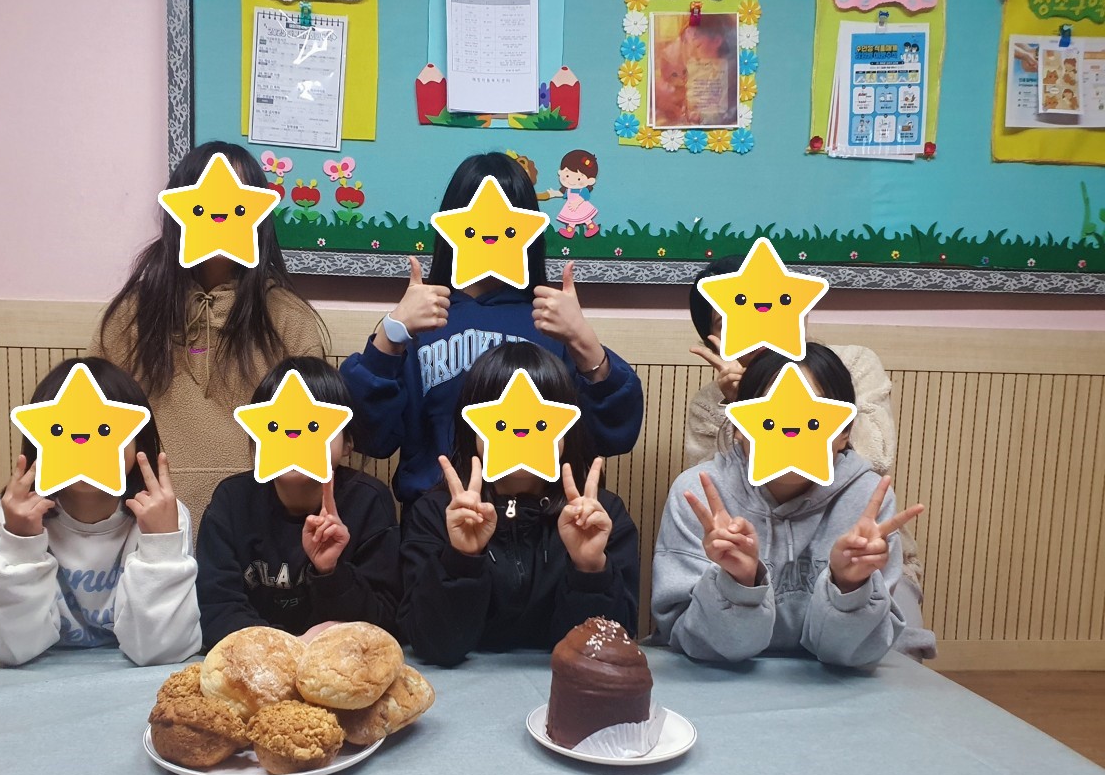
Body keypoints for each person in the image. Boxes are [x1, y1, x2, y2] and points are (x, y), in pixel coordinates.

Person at [340, 152, 644, 507]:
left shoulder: (552, 322)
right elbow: (367, 437)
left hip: (537, 520)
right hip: (435, 518)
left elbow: (615, 435)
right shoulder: (419, 322)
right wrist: (391, 334)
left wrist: (584, 340)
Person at [90, 141, 328, 531]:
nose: (220, 213)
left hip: (253, 531)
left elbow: (310, 443)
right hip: (146, 526)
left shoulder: (288, 317)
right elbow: (94, 424)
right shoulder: (130, 315)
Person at [652, 346, 935, 666]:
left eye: (812, 421)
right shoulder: (698, 494)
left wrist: (850, 586)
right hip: (718, 672)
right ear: (739, 428)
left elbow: (853, 655)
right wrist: (738, 584)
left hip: (832, 679)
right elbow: (688, 636)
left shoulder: (868, 498)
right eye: (772, 419)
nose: (791, 431)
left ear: (844, 432)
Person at [682, 253, 925, 616]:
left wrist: (802, 405)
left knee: (894, 637)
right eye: (731, 317)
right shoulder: (709, 403)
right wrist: (741, 408)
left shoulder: (852, 365)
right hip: (747, 560)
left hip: (864, 553)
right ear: (714, 340)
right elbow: (712, 493)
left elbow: (875, 460)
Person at [398, 343, 640, 667]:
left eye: (540, 424)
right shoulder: (436, 514)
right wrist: (461, 559)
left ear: (566, 428)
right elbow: (433, 646)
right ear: (472, 428)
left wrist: (590, 568)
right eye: (502, 424)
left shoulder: (599, 517)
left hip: (567, 684)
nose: (521, 432)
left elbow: (610, 649)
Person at [0, 357, 201, 666]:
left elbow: (164, 650)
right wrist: (19, 543)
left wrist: (161, 543)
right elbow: (2, 649)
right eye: (61, 429)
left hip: (131, 674)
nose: (82, 441)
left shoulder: (165, 516)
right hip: (34, 672)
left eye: (105, 430)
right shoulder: (4, 515)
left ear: (138, 440)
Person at [196, 357, 399, 648]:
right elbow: (217, 609)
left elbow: (383, 620)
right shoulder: (232, 501)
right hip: (257, 661)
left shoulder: (368, 502)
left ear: (348, 443)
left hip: (337, 661)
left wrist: (331, 573)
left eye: (313, 425)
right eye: (275, 426)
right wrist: (291, 646)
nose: (294, 436)